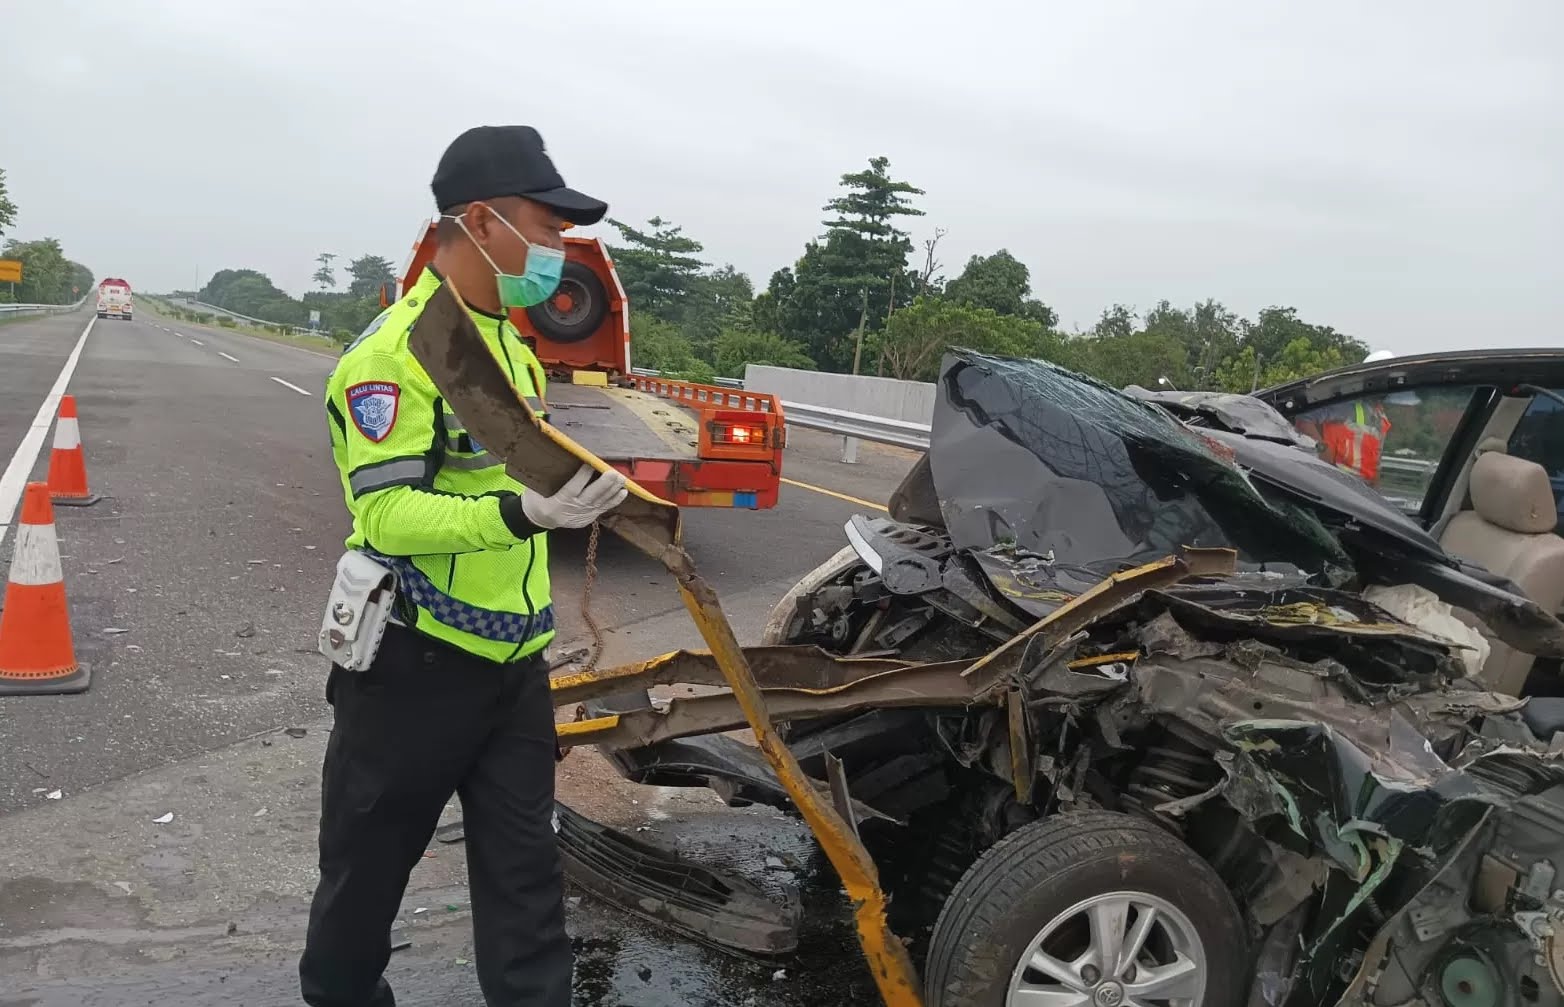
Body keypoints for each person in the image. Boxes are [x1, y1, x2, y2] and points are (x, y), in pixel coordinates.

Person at [300, 125, 628, 1007]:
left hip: (513, 666)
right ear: (479, 222)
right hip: (416, 663)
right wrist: (522, 512)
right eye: (546, 227)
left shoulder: (509, 343)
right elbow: (386, 512)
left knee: (527, 879)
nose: (559, 250)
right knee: (365, 877)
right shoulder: (394, 355)